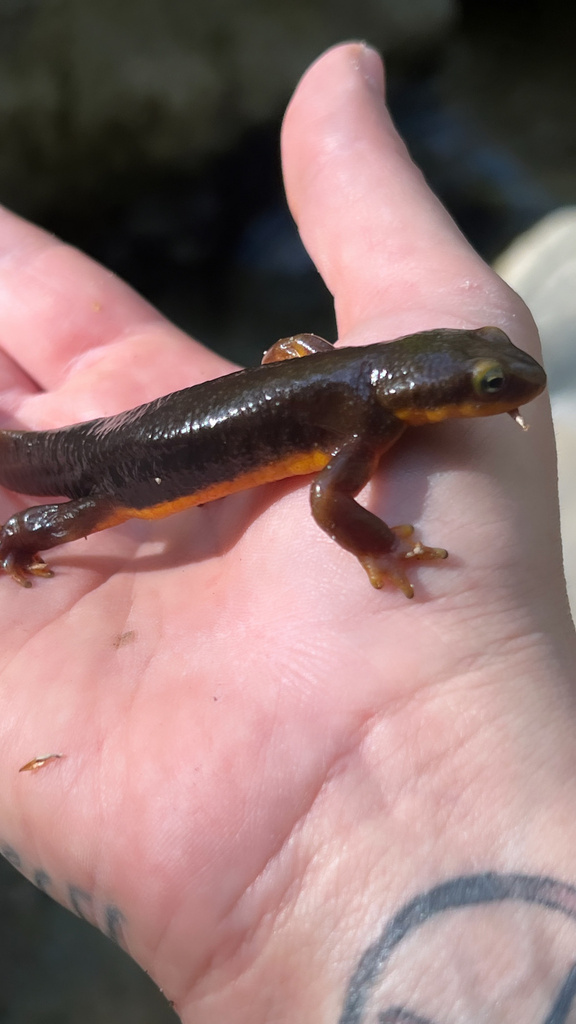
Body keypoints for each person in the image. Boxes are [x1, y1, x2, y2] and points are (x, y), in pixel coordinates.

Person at [1, 42, 574, 1023]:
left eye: (496, 376)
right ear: (416, 383)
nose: (507, 393)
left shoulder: (367, 388)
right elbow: (326, 504)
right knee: (70, 512)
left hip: (137, 433)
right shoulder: (369, 415)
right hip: (114, 470)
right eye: (486, 384)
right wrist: (385, 546)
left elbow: (304, 353)